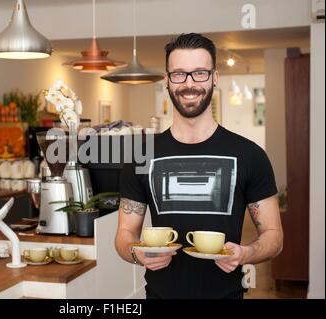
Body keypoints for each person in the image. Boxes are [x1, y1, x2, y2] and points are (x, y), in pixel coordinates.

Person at [115, 33, 283, 299]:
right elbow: (125, 233)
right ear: (167, 80)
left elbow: (274, 236)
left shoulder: (250, 155)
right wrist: (137, 253)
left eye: (200, 73)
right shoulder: (141, 155)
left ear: (215, 77)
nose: (189, 84)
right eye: (179, 74)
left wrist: (246, 253)